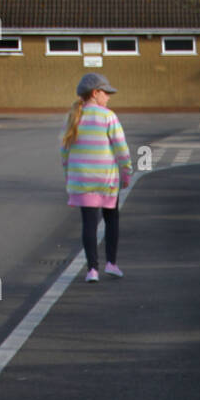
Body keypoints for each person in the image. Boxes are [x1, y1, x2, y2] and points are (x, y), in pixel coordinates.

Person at [61, 73, 132, 283]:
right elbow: (121, 148)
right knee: (112, 220)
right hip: (105, 180)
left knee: (88, 224)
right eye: (106, 93)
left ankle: (92, 269)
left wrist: (69, 176)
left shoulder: (74, 117)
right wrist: (126, 172)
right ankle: (112, 263)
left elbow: (64, 152)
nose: (109, 97)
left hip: (81, 181)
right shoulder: (108, 116)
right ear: (95, 93)